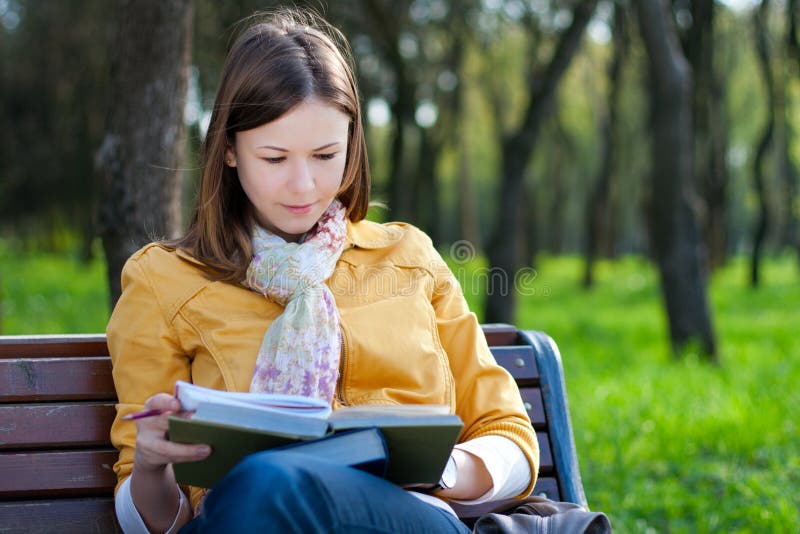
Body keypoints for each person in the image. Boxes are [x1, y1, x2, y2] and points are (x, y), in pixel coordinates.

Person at [108, 9, 539, 534]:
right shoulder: (164, 279)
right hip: (245, 517)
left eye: (325, 155)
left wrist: (439, 469)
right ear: (228, 150)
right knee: (264, 484)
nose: (304, 185)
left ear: (352, 146)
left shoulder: (408, 256)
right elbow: (152, 524)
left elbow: (508, 433)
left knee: (271, 482)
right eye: (274, 158)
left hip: (405, 517)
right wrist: (154, 466)